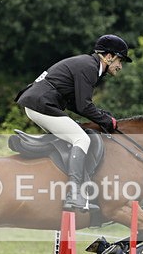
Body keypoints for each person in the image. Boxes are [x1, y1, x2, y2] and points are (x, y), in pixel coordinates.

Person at [16, 34, 132, 212]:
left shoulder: (88, 65)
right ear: (108, 56)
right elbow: (84, 106)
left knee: (72, 136)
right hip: (41, 104)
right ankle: (74, 193)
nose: (120, 66)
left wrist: (102, 117)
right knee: (81, 139)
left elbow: (75, 103)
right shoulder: (90, 67)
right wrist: (107, 120)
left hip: (37, 102)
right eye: (120, 60)